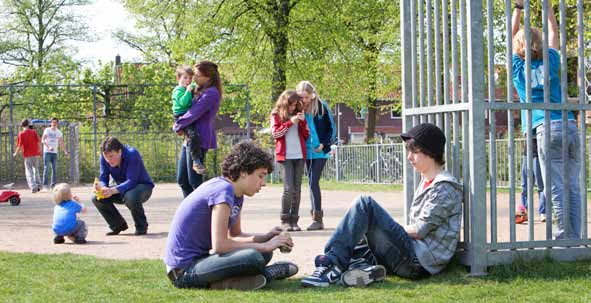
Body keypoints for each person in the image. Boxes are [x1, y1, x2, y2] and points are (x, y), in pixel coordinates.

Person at [301, 123, 462, 288]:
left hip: (419, 262)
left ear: (431, 152)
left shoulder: (444, 187)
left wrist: (386, 227)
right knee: (357, 232)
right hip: (412, 255)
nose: (409, 157)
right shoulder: (427, 182)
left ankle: (331, 266)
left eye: (414, 151)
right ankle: (365, 269)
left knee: (365, 204)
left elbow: (420, 230)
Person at [164, 141, 298, 290]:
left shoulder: (236, 194)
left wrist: (267, 237)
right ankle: (264, 275)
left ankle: (238, 281)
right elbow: (220, 245)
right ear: (243, 172)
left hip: (202, 261)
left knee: (262, 255)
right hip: (183, 272)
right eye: (261, 176)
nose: (263, 183)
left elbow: (235, 235)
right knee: (253, 257)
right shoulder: (223, 190)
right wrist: (265, 246)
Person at [512, 0, 580, 239]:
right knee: (573, 184)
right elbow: (553, 31)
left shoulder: (519, 70)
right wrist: (547, 5)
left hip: (544, 127)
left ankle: (563, 237)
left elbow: (511, 37)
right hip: (569, 124)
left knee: (555, 186)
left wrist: (518, 10)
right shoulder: (551, 60)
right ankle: (576, 236)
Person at [174, 61, 222, 197]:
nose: (194, 78)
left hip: (199, 138)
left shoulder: (211, 93)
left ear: (208, 77)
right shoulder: (198, 90)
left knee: (194, 181)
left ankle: (206, 211)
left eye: (197, 75)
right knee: (183, 180)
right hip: (189, 136)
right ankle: (189, 212)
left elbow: (194, 112)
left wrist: (178, 125)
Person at [92, 137, 154, 236]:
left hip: (142, 187)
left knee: (130, 196)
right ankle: (118, 225)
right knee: (96, 198)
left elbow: (132, 181)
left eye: (111, 156)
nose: (108, 160)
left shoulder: (132, 154)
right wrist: (103, 188)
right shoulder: (104, 158)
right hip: (121, 189)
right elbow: (103, 178)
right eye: (106, 157)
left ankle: (141, 226)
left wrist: (112, 191)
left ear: (120, 151)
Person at [296, 81, 336, 230]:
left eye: (305, 97)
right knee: (310, 183)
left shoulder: (321, 106)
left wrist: (324, 145)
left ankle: (318, 219)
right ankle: (314, 217)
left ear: (312, 95)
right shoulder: (298, 108)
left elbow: (331, 128)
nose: (303, 100)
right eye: (301, 97)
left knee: (313, 181)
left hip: (320, 151)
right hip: (306, 151)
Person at [271, 90, 310, 231]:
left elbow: (306, 135)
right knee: (288, 189)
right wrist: (289, 123)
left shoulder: (298, 113)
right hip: (285, 156)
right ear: (285, 103)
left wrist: (303, 121)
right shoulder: (276, 115)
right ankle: (285, 220)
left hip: (299, 155)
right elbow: (276, 134)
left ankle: (295, 220)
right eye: (291, 105)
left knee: (297, 189)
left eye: (295, 105)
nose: (293, 108)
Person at [171, 65, 206, 174]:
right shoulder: (178, 90)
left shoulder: (186, 89)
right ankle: (196, 161)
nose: (188, 81)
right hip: (181, 116)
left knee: (194, 135)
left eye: (190, 78)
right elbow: (184, 103)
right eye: (185, 78)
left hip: (188, 116)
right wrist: (188, 91)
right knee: (193, 135)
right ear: (178, 78)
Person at [516, 136, 546, 224]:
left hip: (538, 154)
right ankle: (524, 212)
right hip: (527, 154)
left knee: (541, 185)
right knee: (525, 186)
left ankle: (543, 212)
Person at [13, 119, 42, 193]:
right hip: (35, 153)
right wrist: (40, 151)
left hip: (27, 155)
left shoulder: (21, 134)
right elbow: (39, 142)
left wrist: (15, 153)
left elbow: (19, 146)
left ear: (22, 125)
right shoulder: (34, 132)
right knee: (36, 169)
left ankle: (33, 187)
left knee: (29, 172)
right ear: (28, 124)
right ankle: (39, 185)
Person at [41, 117, 68, 190]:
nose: (54, 124)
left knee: (54, 169)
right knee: (46, 168)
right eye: (53, 122)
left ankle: (53, 185)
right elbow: (42, 140)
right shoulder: (47, 130)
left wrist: (65, 151)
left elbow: (61, 142)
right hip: (47, 151)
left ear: (57, 123)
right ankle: (45, 185)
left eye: (55, 122)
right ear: (51, 123)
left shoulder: (59, 132)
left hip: (54, 152)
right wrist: (49, 147)